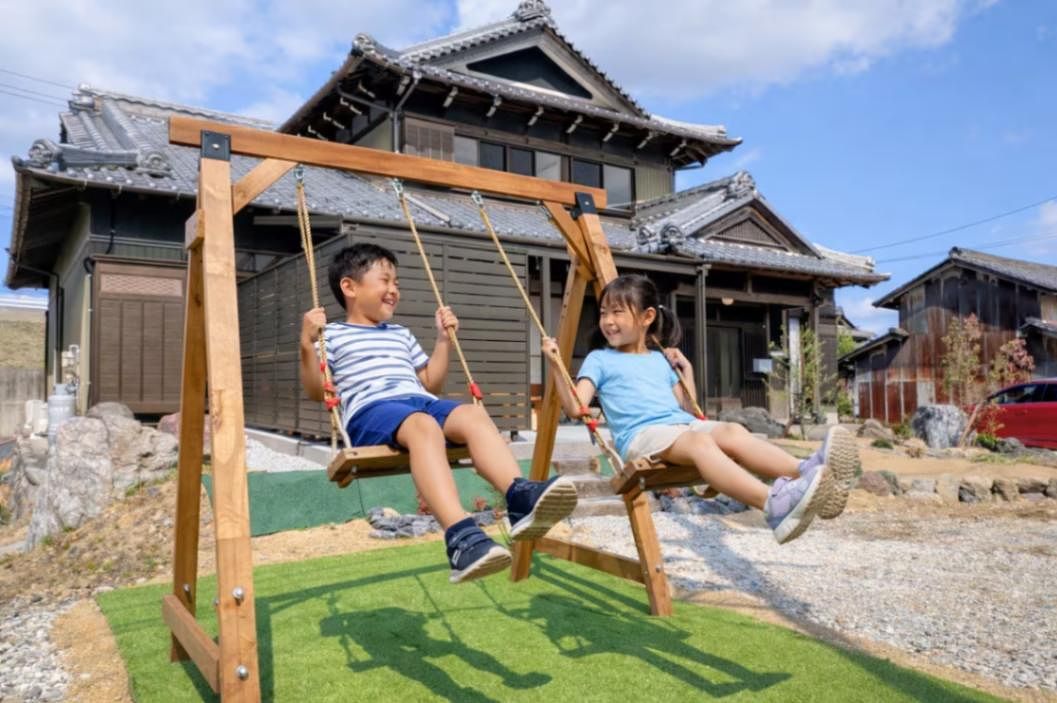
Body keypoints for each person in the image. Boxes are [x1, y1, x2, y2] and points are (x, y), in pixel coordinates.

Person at [301, 243, 577, 582]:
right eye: (385, 281)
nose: (394, 290)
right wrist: (305, 343)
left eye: (397, 283)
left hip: (418, 401)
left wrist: (444, 340)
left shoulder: (400, 334)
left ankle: (519, 497)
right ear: (350, 287)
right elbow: (317, 390)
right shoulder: (332, 336)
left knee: (472, 415)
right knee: (423, 426)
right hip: (370, 410)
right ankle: (461, 537)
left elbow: (431, 383)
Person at [542, 274, 858, 544]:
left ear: (647, 316)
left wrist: (686, 369)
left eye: (617, 312)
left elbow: (687, 408)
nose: (607, 321)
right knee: (700, 442)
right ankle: (773, 506)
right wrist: (556, 364)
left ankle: (808, 471)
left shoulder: (658, 359)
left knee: (732, 430)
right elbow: (576, 407)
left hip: (679, 427)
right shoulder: (600, 359)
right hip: (641, 437)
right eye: (603, 313)